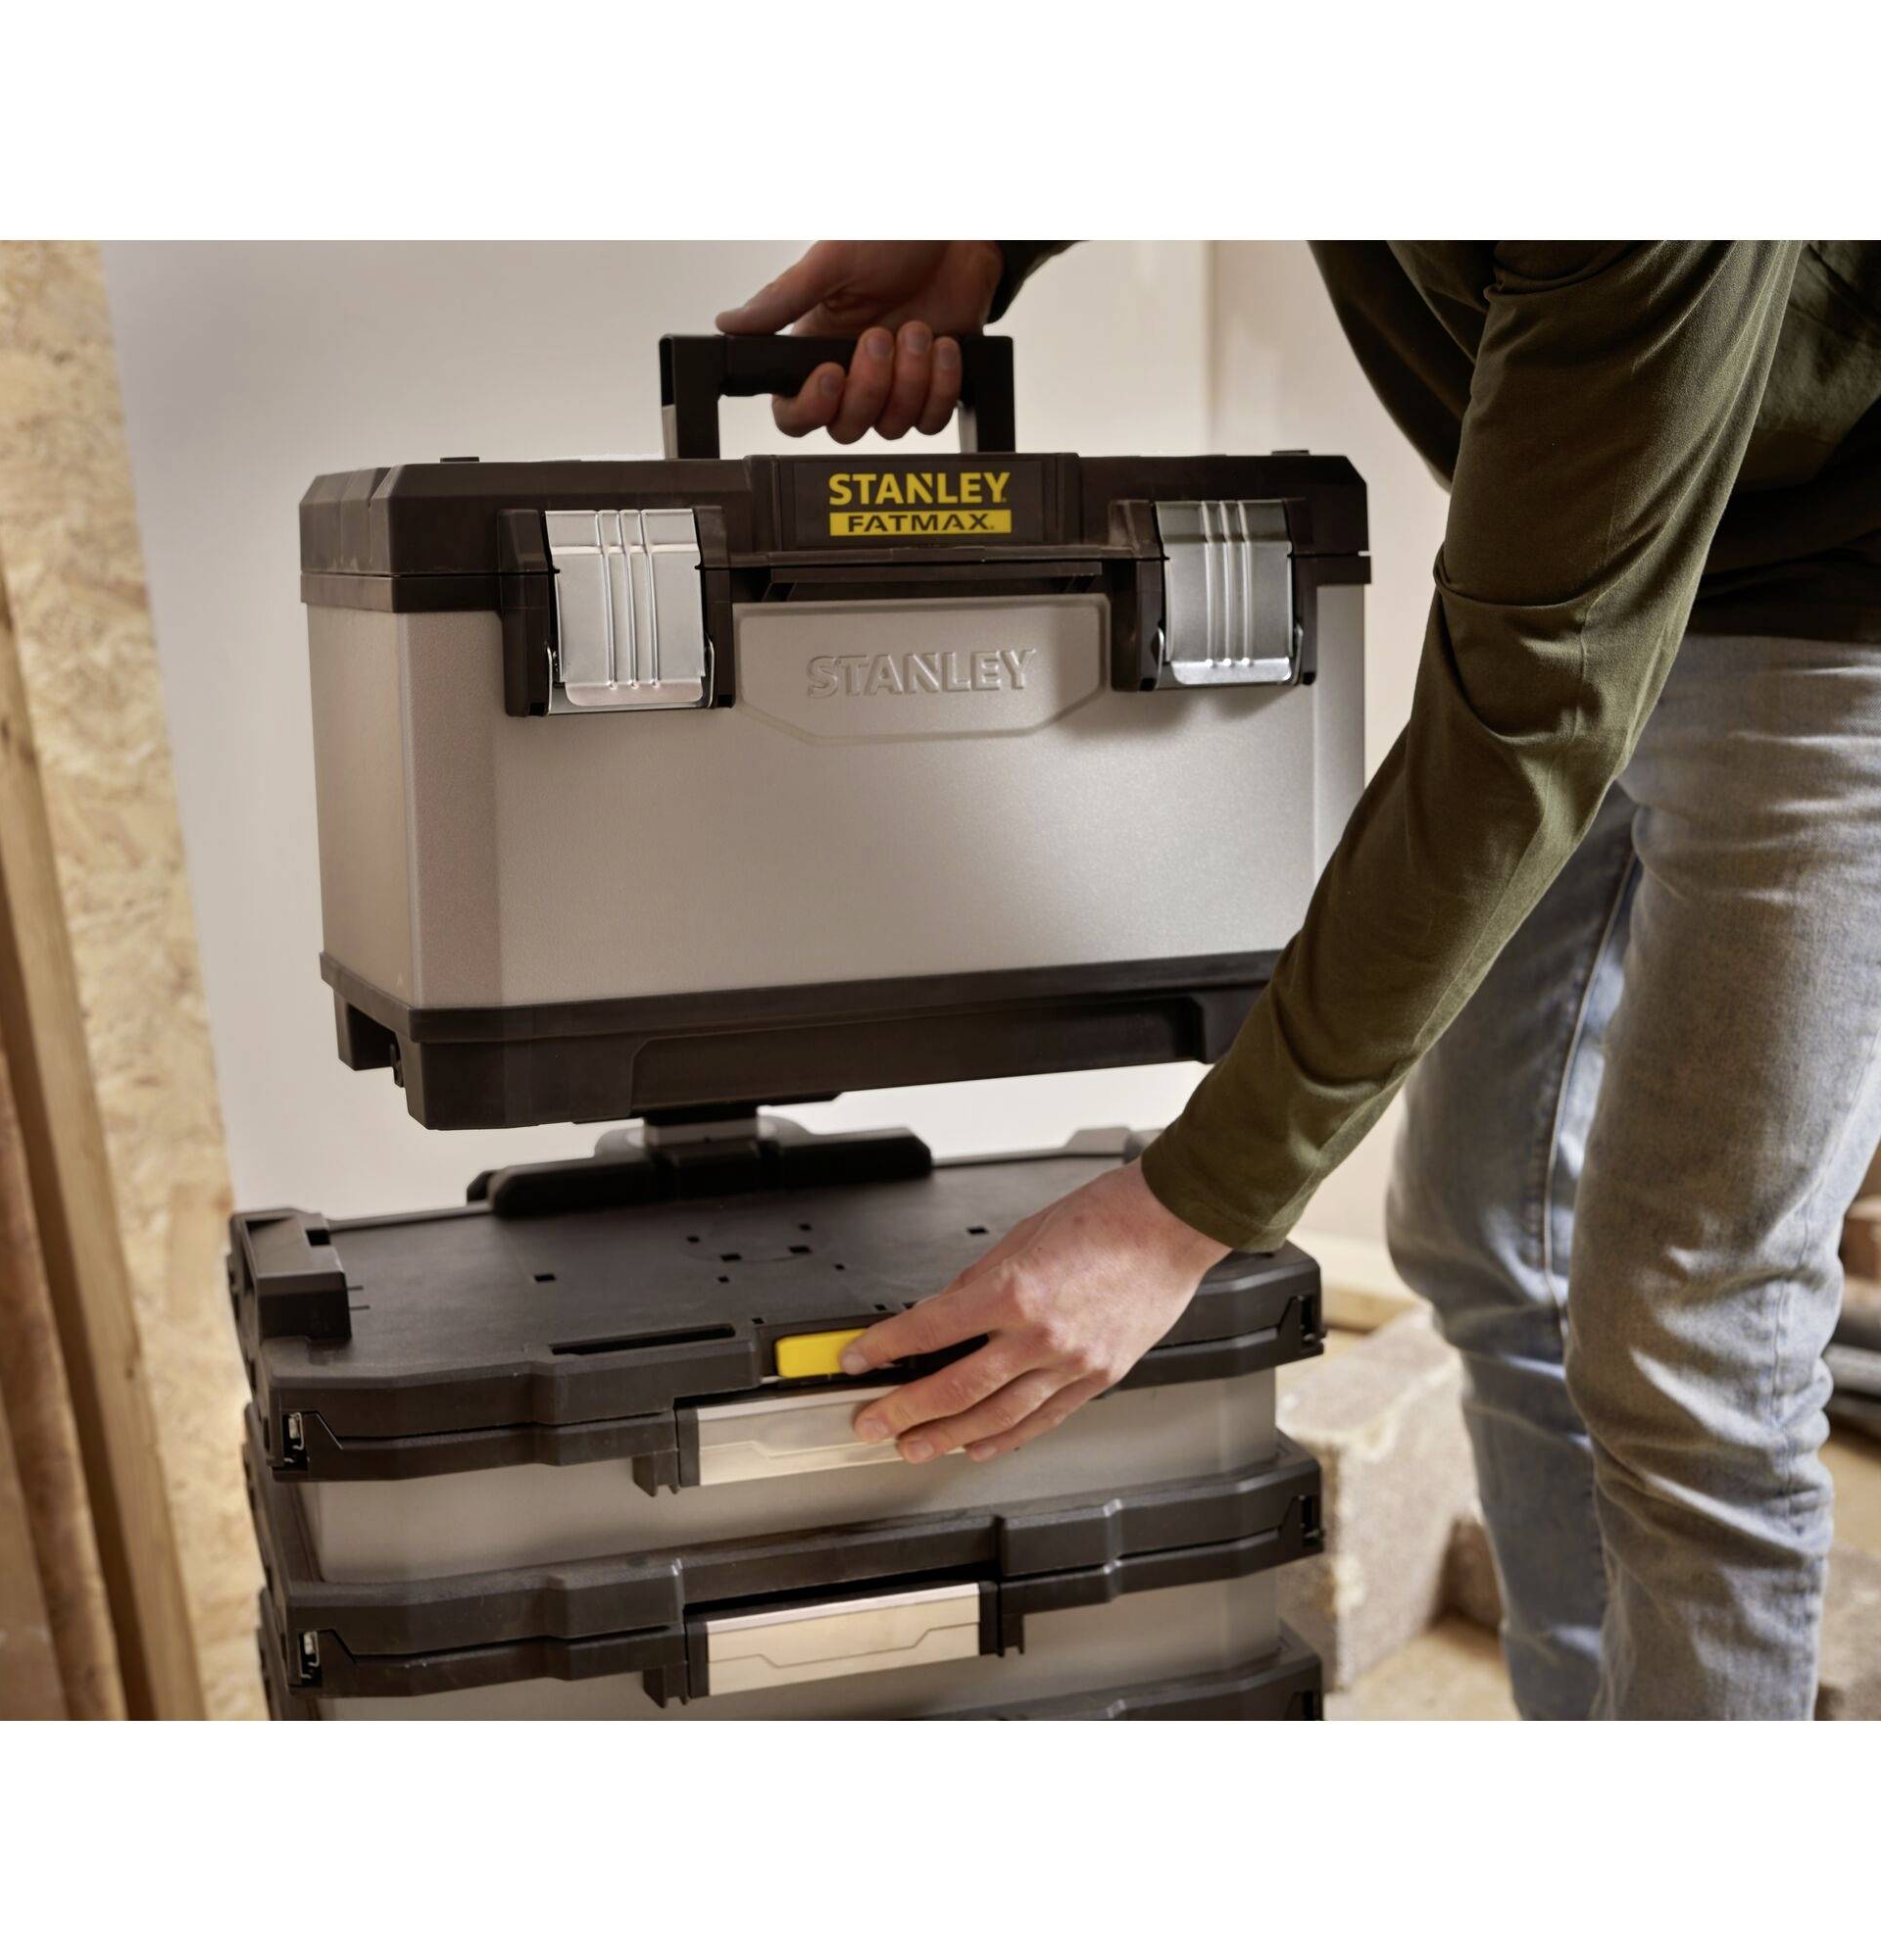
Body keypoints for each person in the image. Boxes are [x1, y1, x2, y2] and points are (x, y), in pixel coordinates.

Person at [716, 242, 1881, 1719]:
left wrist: (1180, 1212)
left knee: (1688, 1329)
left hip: (1842, 589)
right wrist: (989, 238)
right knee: (1478, 1226)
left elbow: (1528, 720)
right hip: (1598, 532)